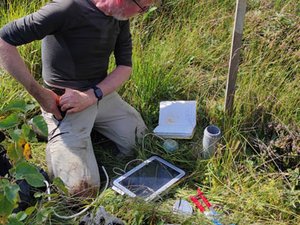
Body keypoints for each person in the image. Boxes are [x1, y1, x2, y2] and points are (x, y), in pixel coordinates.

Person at [0, 0, 159, 197]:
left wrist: (93, 96)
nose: (143, 12)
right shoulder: (66, 8)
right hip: (63, 103)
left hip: (98, 95)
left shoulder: (119, 15)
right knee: (80, 193)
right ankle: (50, 127)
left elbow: (124, 67)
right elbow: (4, 40)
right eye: (142, 7)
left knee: (143, 142)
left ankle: (82, 133)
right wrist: (39, 94)